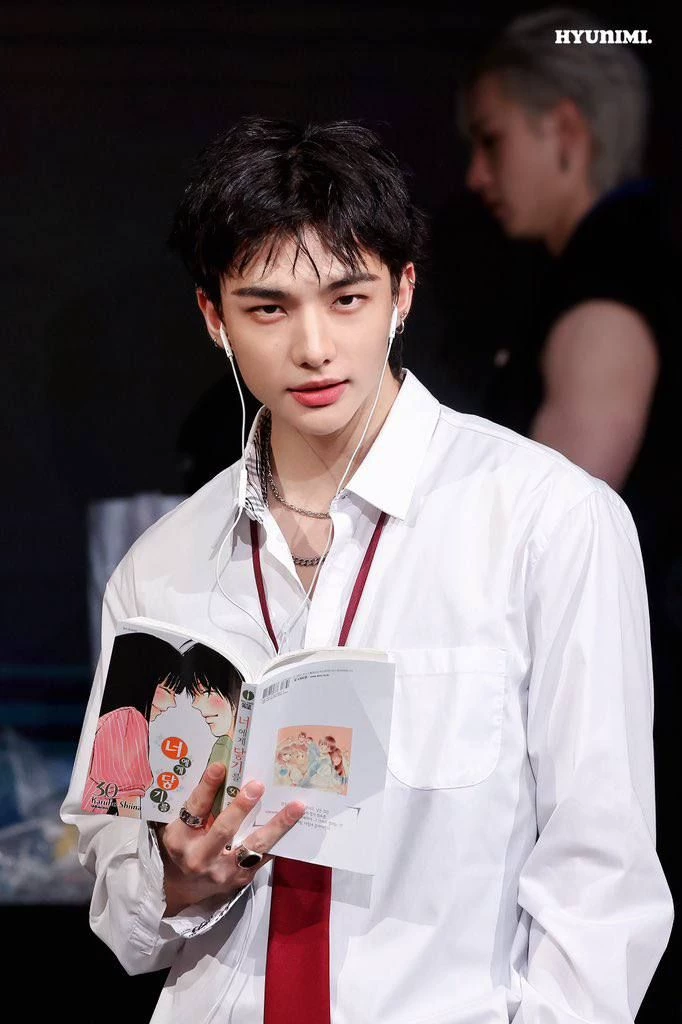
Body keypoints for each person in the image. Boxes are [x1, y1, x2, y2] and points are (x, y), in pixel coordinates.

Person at [61, 115, 672, 1024]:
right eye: (268, 308)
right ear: (213, 317)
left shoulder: (547, 521)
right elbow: (121, 916)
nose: (314, 347)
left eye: (347, 298)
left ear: (403, 292)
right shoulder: (162, 569)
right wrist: (179, 879)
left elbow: (601, 877)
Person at [459, 10, 680, 1016]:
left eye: (490, 139)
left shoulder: (610, 280)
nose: (476, 174)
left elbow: (554, 527)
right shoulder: (610, 266)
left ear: (565, 130)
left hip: (628, 713)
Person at [81, 631, 183, 818]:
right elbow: (128, 808)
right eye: (167, 690)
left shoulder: (111, 718)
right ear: (142, 682)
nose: (172, 703)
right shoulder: (128, 720)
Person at [182, 642, 245, 823]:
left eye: (206, 693)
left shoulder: (224, 746)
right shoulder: (225, 746)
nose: (196, 704)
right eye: (194, 695)